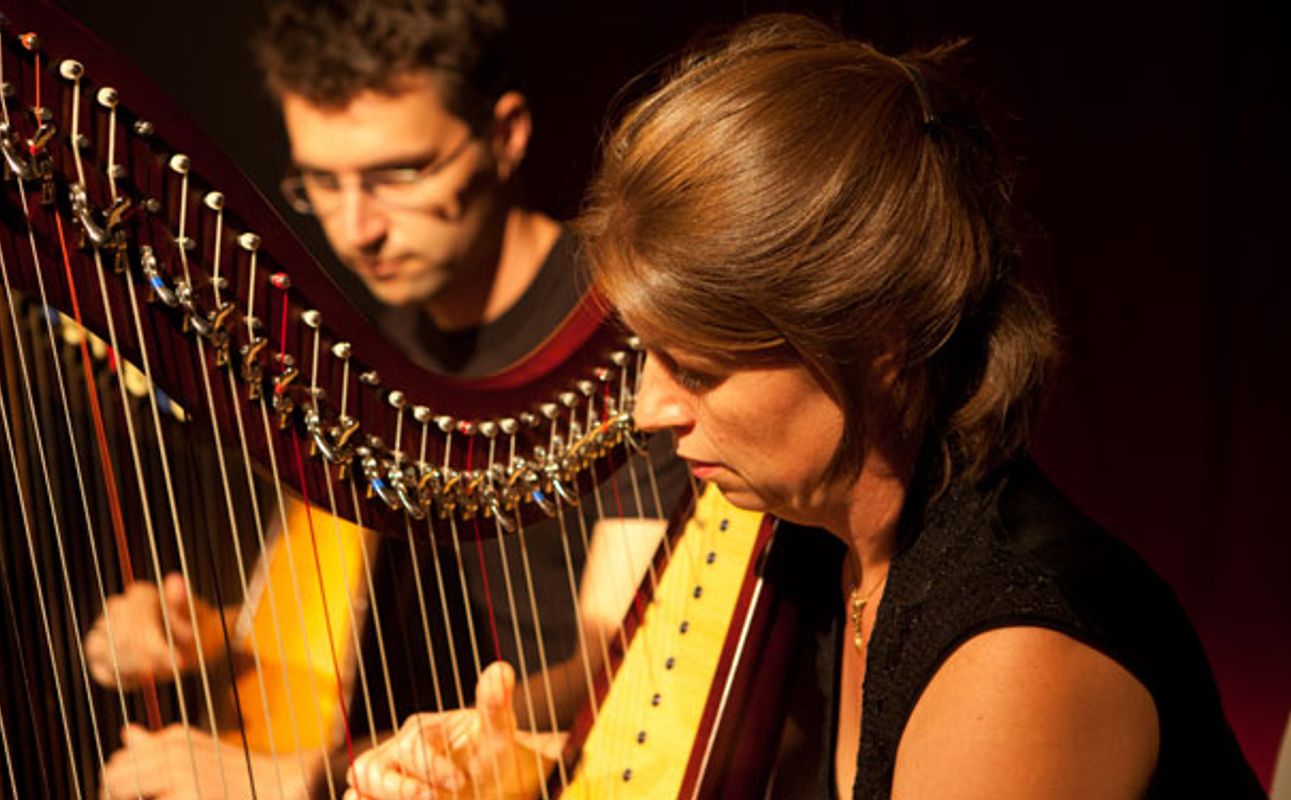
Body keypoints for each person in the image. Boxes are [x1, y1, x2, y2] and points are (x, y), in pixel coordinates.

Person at [341, 13, 1266, 799]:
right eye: (646, 357)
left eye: (696, 370)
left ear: (876, 345)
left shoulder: (1019, 658)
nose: (649, 410)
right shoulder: (822, 546)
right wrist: (526, 768)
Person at [84, 1, 680, 797]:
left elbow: (613, 665)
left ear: (505, 136)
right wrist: (210, 636)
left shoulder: (624, 333)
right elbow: (347, 602)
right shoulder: (377, 346)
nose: (357, 228)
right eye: (323, 183)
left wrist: (303, 776)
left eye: (397, 174)